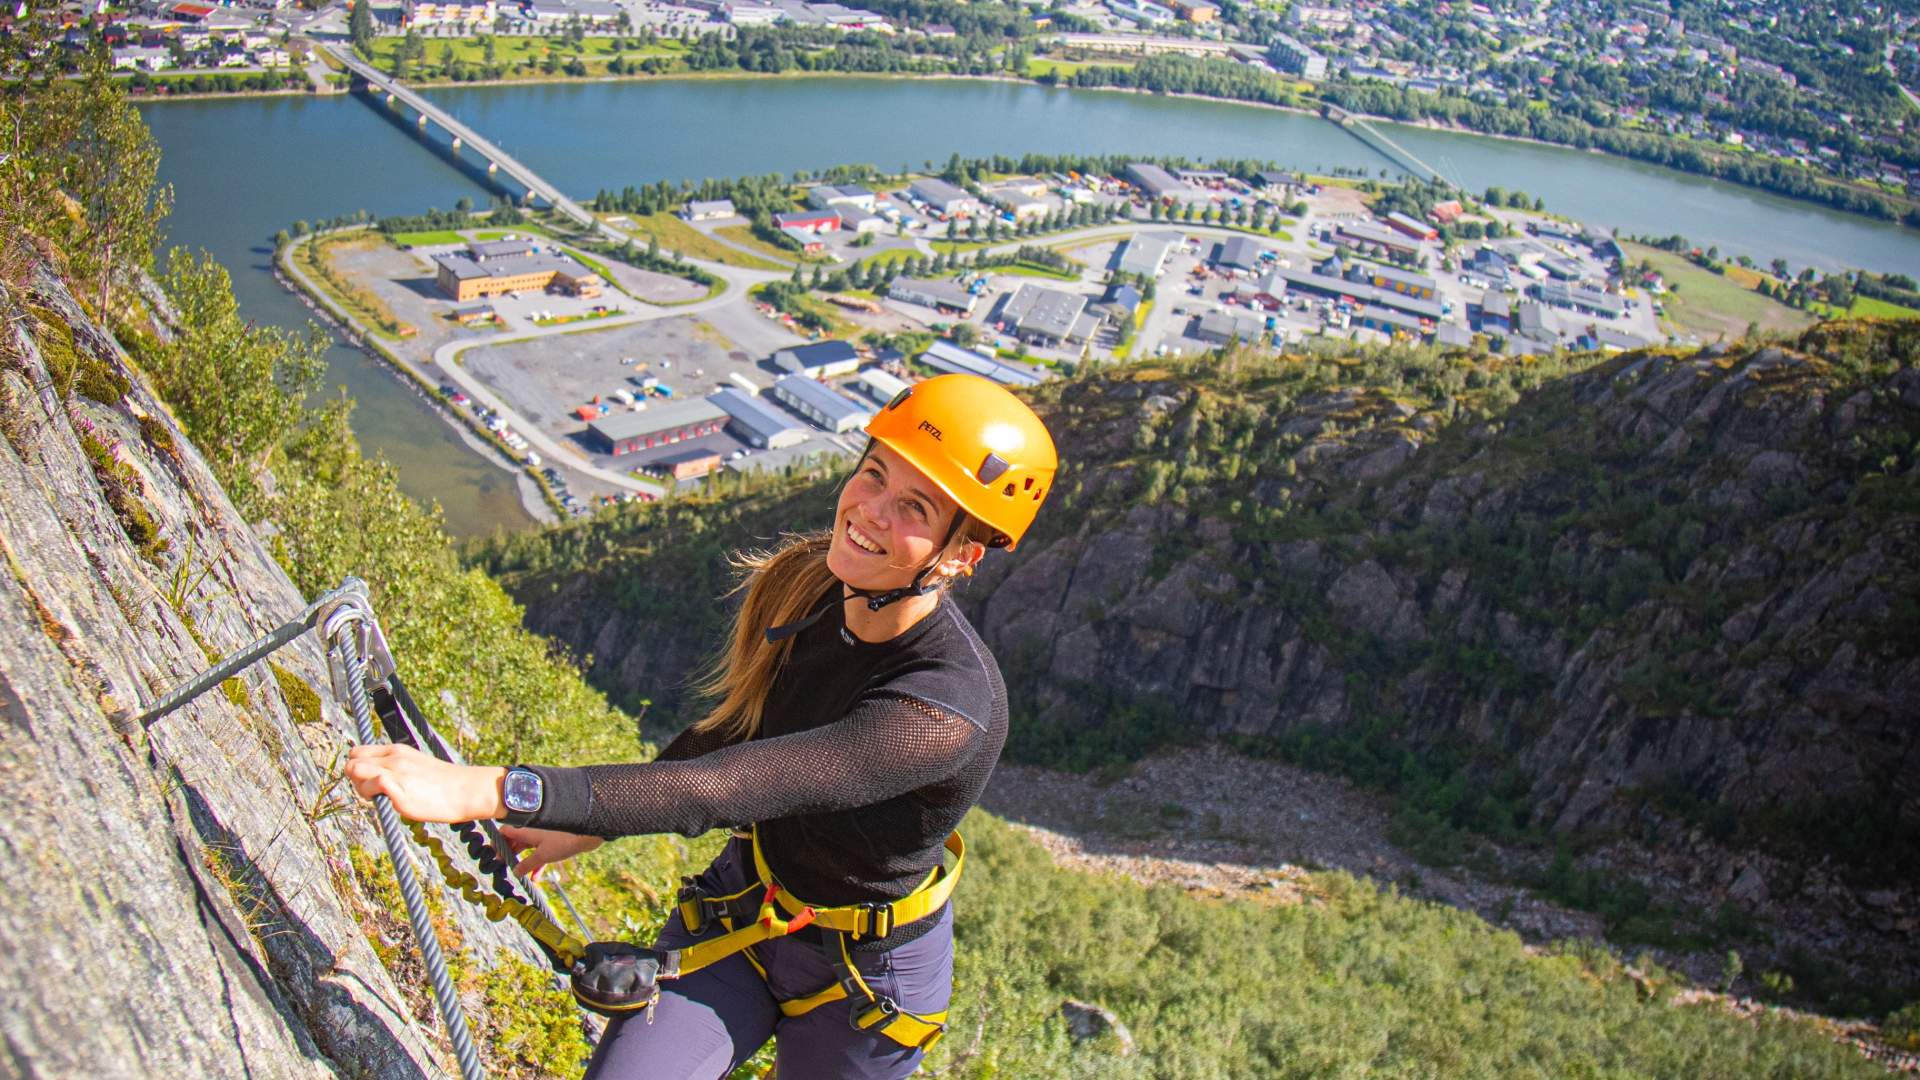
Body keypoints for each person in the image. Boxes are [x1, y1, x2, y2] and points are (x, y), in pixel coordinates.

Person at [345, 373, 1058, 1080]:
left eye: (915, 507)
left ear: (963, 554)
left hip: (866, 981)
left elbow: (724, 788)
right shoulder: (816, 583)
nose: (870, 511)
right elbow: (735, 732)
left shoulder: (943, 709)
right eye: (874, 474)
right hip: (748, 911)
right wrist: (593, 825)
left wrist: (495, 790)